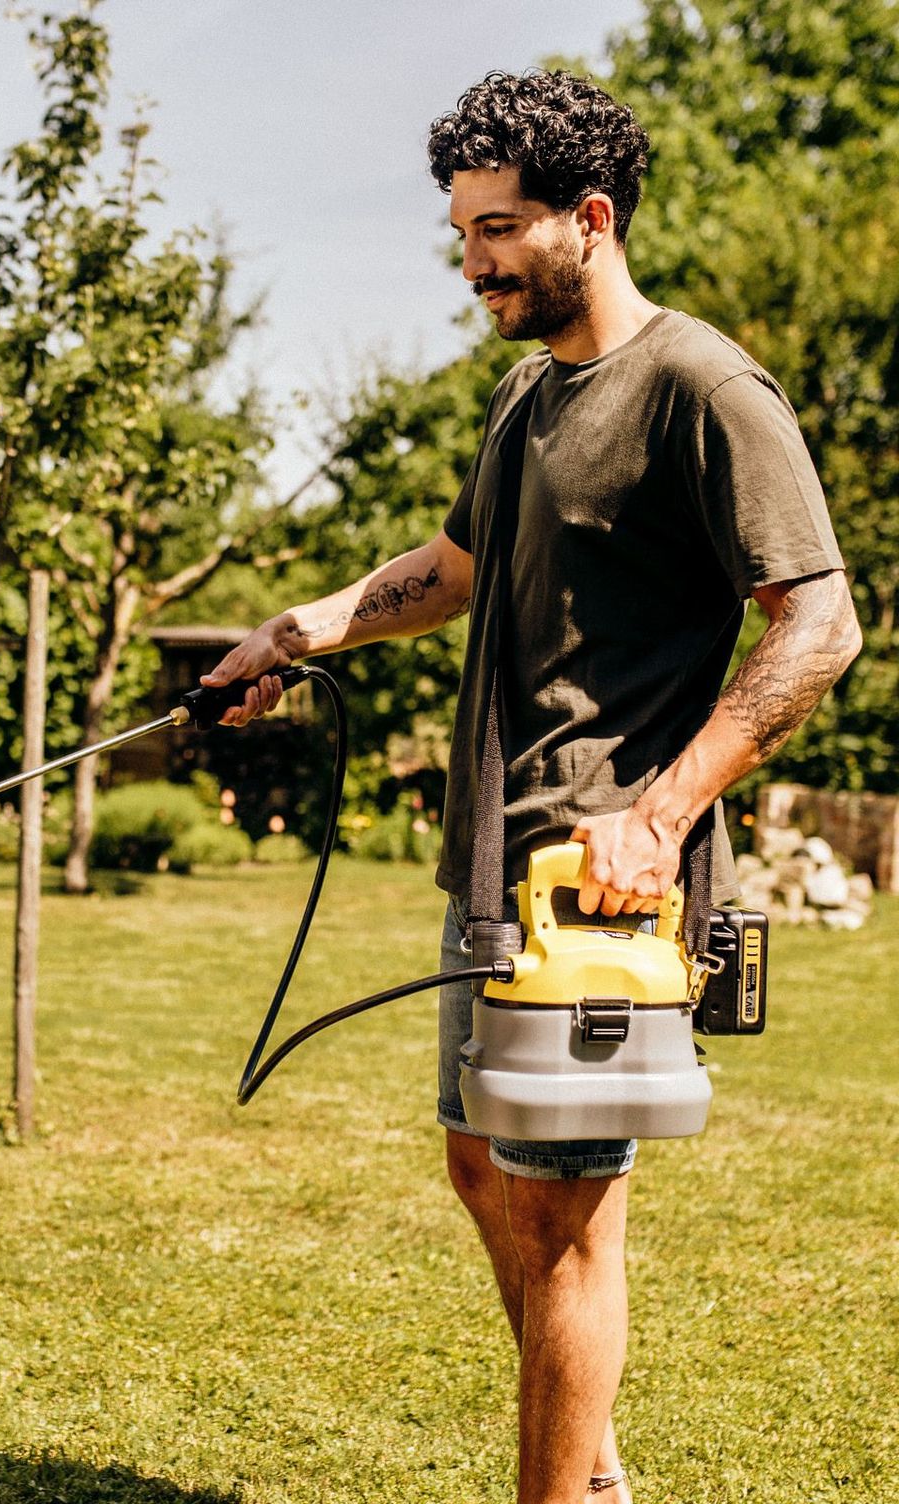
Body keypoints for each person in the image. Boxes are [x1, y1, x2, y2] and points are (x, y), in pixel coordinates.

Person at [202, 70, 860, 1504]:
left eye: (499, 230)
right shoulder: (524, 396)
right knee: (484, 1176)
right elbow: (452, 573)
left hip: (603, 895)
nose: (475, 262)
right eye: (463, 233)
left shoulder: (701, 387)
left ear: (592, 220)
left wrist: (665, 810)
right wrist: (301, 629)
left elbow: (821, 625)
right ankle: (598, 1470)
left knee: (568, 1226)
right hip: (495, 870)